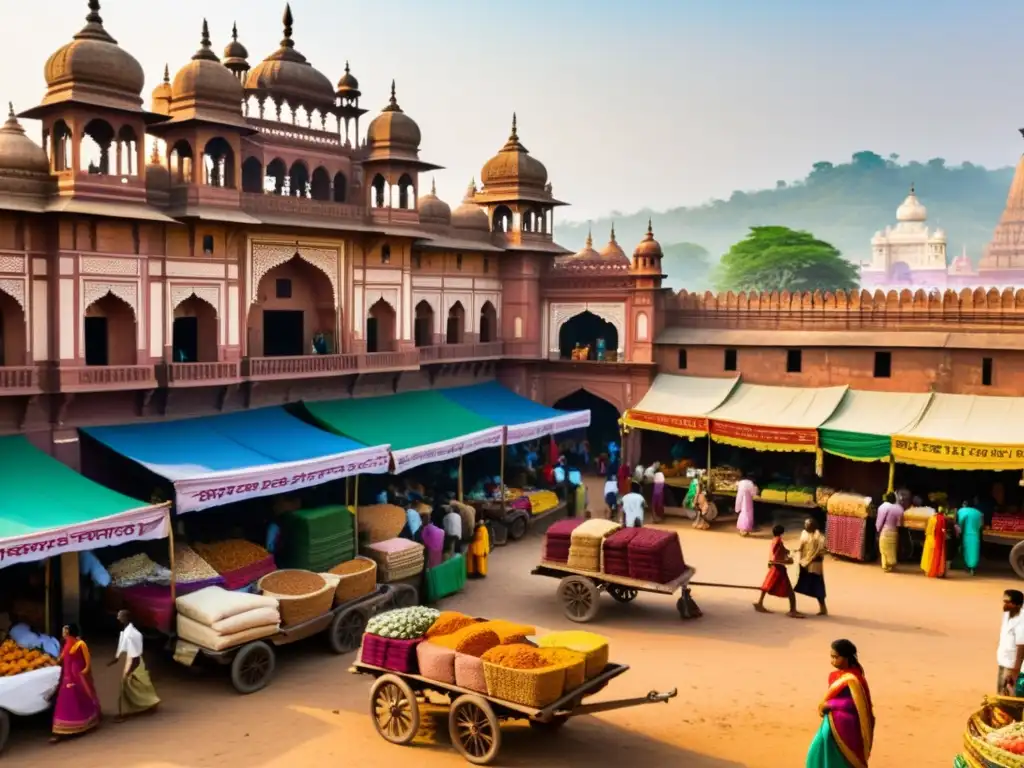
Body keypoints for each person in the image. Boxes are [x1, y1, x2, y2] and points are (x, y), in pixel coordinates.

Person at [806, 639, 875, 767]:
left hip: (846, 725)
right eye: (831, 657)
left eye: (836, 657)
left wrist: (831, 704)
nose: (832, 661)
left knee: (839, 757)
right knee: (818, 750)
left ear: (847, 657)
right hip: (831, 720)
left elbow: (856, 703)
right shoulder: (838, 675)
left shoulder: (854, 679)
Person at [51, 624, 101, 742]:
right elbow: (61, 658)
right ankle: (62, 729)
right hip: (67, 676)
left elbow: (87, 662)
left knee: (79, 698)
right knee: (65, 700)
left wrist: (82, 674)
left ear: (69, 632)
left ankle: (80, 724)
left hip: (77, 676)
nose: (63, 632)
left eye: (65, 630)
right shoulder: (66, 644)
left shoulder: (80, 644)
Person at [110, 610, 160, 721]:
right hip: (126, 660)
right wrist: (115, 660)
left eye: (120, 616)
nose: (118, 618)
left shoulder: (134, 634)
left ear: (127, 618)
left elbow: (136, 655)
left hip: (133, 661)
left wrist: (130, 670)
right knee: (135, 688)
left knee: (130, 686)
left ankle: (125, 713)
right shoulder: (125, 632)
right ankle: (147, 704)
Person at [754, 525, 803, 618]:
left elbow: (778, 551)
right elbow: (775, 557)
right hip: (779, 568)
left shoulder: (774, 540)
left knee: (767, 585)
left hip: (775, 567)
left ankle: (760, 603)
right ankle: (793, 611)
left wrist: (787, 551)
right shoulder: (778, 541)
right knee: (790, 591)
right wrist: (787, 561)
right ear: (782, 532)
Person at [795, 518, 828, 616]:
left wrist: (812, 559)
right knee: (795, 583)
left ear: (813, 526)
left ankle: (823, 608)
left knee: (817, 585)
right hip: (804, 562)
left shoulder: (819, 538)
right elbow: (800, 547)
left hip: (814, 565)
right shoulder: (804, 534)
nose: (806, 526)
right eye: (805, 524)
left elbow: (822, 551)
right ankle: (793, 607)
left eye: (808, 524)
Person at [997, 589, 1024, 695]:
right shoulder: (1008, 615)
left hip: (1011, 666)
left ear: (1016, 604)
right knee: (1000, 693)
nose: (1005, 604)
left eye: (1008, 602)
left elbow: (1021, 646)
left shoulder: (1021, 622)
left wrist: (1015, 671)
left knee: (1007, 696)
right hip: (1003, 660)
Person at [875, 492, 904, 573]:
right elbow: (899, 523)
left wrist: (878, 529)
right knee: (892, 548)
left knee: (883, 548)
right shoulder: (899, 508)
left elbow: (880, 520)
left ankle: (885, 565)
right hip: (894, 531)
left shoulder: (883, 507)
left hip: (885, 530)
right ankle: (891, 564)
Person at [956, 500, 984, 576]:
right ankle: (973, 568)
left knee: (966, 550)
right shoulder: (979, 512)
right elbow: (981, 525)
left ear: (964, 504)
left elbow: (960, 522)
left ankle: (967, 567)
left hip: (967, 534)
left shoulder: (962, 510)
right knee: (974, 551)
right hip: (976, 535)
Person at [921, 509, 949, 578]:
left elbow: (928, 530)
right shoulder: (943, 519)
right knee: (936, 556)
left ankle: (928, 571)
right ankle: (937, 571)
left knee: (928, 556)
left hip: (930, 539)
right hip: (938, 541)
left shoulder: (932, 518)